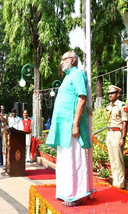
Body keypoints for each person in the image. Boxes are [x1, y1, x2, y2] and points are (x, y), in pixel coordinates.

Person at [46, 51, 92, 207]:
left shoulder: (77, 74)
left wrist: (75, 124)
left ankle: (76, 195)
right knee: (65, 162)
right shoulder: (67, 77)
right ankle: (66, 192)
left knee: (74, 161)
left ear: (73, 60)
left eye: (63, 59)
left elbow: (82, 98)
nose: (61, 62)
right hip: (62, 128)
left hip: (72, 128)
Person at [105, 85, 128, 189]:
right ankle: (115, 182)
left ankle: (120, 184)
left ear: (117, 94)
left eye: (112, 93)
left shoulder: (121, 106)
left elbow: (124, 123)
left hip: (117, 133)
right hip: (110, 133)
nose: (110, 95)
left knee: (118, 160)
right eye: (109, 93)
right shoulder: (109, 106)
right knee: (112, 160)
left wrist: (123, 138)